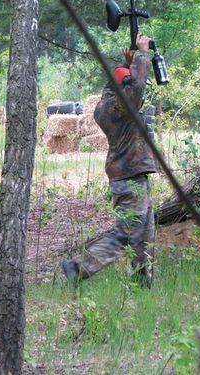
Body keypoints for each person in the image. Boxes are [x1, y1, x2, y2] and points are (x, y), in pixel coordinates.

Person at [61, 34, 157, 287]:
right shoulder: (118, 107)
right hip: (129, 179)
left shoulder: (105, 105)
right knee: (126, 235)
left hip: (133, 176)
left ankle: (141, 285)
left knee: (144, 236)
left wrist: (129, 65)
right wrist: (142, 55)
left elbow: (124, 87)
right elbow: (135, 91)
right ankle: (78, 267)